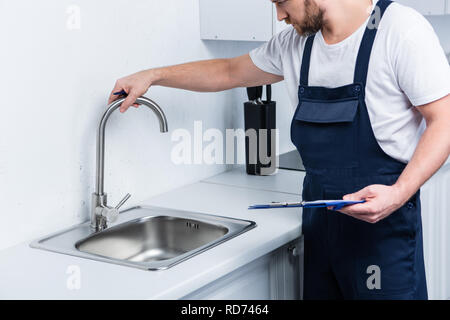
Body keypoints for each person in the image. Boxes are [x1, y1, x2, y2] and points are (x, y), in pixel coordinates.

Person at [109, 0, 450, 299]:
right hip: (319, 227)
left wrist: (399, 193)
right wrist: (152, 75)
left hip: (383, 232)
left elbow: (444, 122)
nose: (279, 15)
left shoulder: (399, 29)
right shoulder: (296, 44)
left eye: (282, 1)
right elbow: (228, 71)